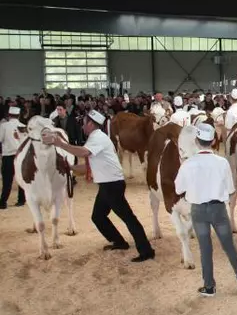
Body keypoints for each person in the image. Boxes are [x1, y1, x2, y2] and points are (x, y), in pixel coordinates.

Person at [43, 110, 155, 262]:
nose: (82, 126)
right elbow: (89, 167)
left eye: (83, 122)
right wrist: (69, 167)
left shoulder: (98, 138)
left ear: (90, 123)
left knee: (128, 218)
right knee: (98, 217)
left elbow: (83, 153)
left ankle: (146, 251)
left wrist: (60, 144)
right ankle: (119, 242)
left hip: (112, 184)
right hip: (107, 184)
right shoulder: (94, 139)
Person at [174, 123, 237, 297]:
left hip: (198, 211)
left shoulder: (188, 164)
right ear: (212, 141)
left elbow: (178, 189)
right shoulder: (222, 162)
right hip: (218, 209)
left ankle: (209, 286)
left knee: (205, 248)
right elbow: (230, 189)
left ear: (196, 141)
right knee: (228, 245)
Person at [0, 106, 25, 209]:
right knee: (21, 179)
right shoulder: (23, 126)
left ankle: (3, 202)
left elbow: (0, 139)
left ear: (9, 115)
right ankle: (21, 200)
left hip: (8, 156)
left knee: (7, 181)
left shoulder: (4, 126)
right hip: (21, 156)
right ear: (18, 116)